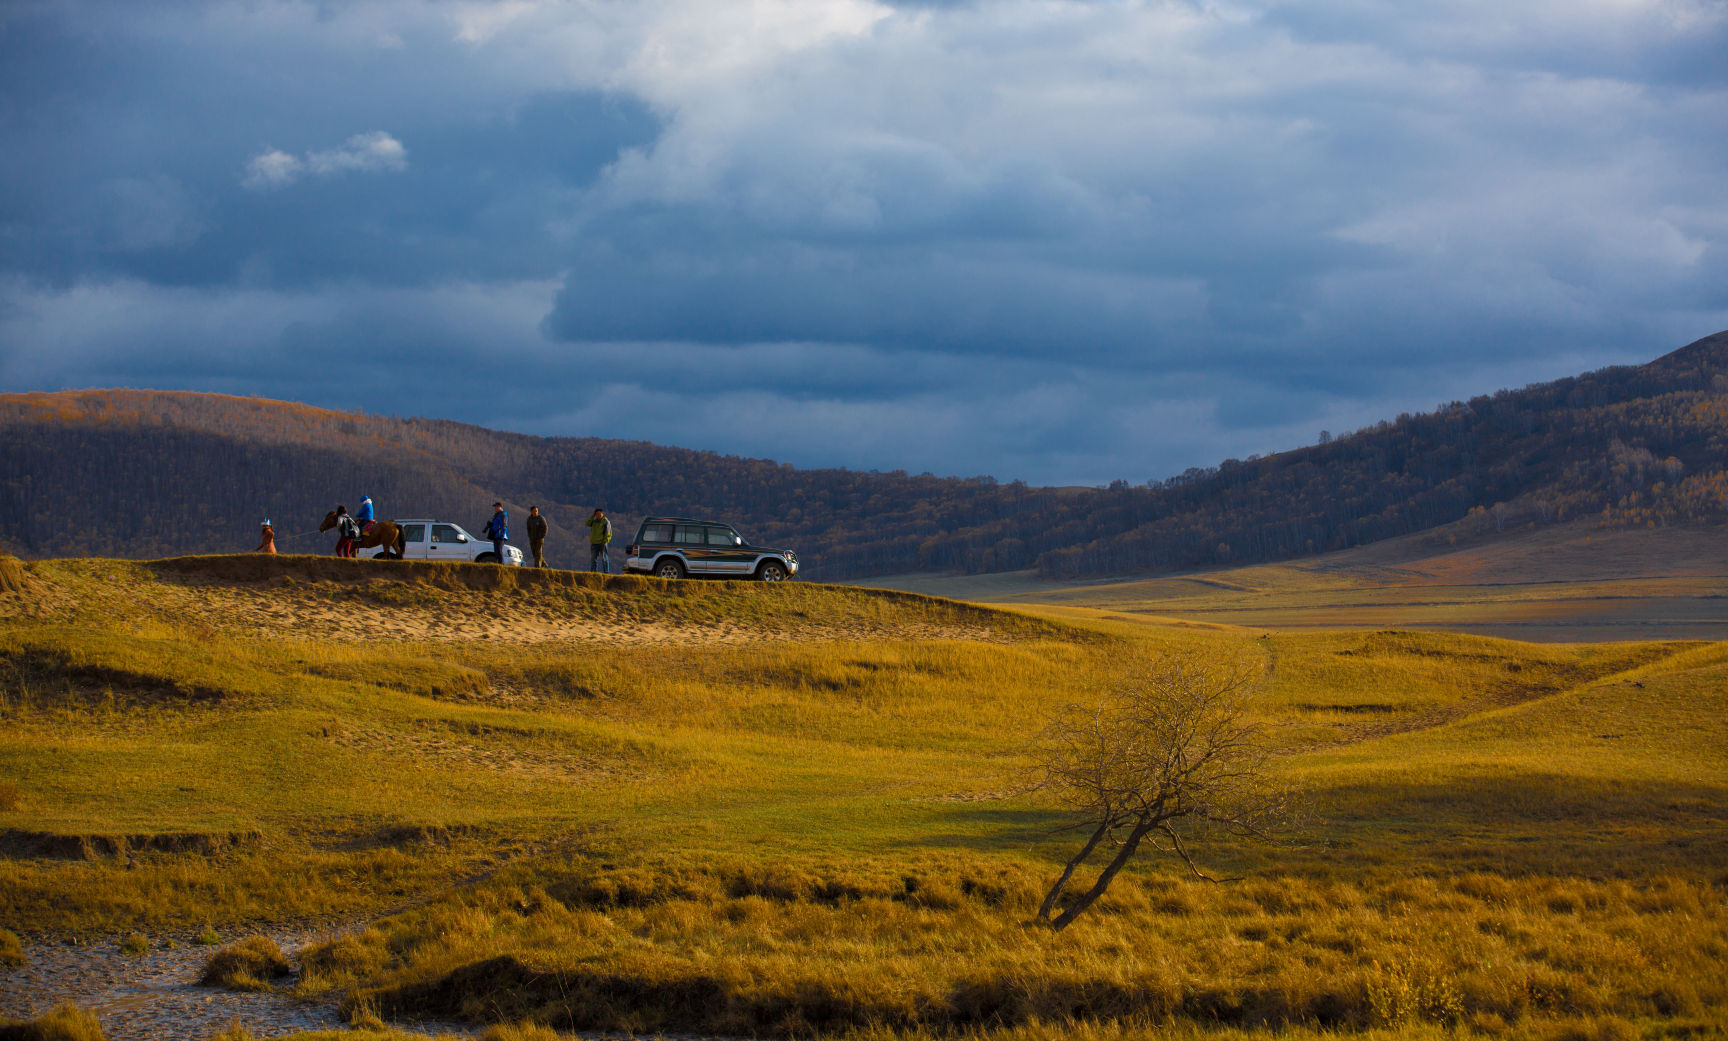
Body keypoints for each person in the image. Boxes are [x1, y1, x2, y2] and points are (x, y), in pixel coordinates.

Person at [585, 507, 612, 573]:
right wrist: (592, 516)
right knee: (593, 559)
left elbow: (608, 532)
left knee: (604, 558)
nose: (598, 516)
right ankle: (593, 572)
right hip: (594, 543)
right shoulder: (594, 521)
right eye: (597, 514)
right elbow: (587, 523)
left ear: (602, 514)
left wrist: (605, 541)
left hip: (602, 543)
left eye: (600, 514)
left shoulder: (606, 521)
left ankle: (606, 572)